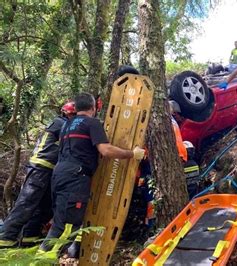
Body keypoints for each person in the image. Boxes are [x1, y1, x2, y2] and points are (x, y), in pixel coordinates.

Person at [38, 93, 145, 254]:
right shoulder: (91, 123)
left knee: (59, 222)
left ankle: (43, 259)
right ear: (93, 108)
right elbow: (106, 150)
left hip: (59, 176)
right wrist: (132, 154)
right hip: (76, 178)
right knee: (67, 227)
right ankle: (43, 261)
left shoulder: (66, 125)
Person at [0, 102, 76, 248]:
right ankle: (6, 236)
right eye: (74, 115)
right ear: (67, 113)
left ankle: (30, 236)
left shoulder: (62, 123)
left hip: (48, 170)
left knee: (42, 205)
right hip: (41, 168)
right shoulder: (62, 124)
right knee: (26, 203)